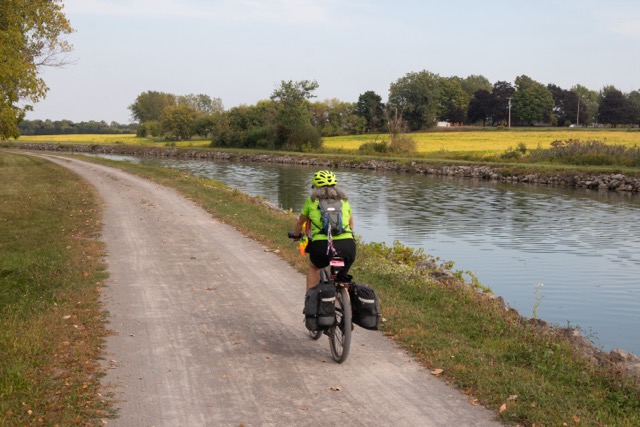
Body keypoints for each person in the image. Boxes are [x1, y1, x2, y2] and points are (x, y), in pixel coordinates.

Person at [289, 170, 356, 289]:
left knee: (314, 267)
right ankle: (346, 304)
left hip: (322, 246)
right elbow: (351, 224)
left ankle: (310, 299)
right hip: (347, 246)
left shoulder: (312, 200)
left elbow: (301, 221)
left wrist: (296, 235)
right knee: (341, 280)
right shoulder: (344, 200)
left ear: (315, 187)